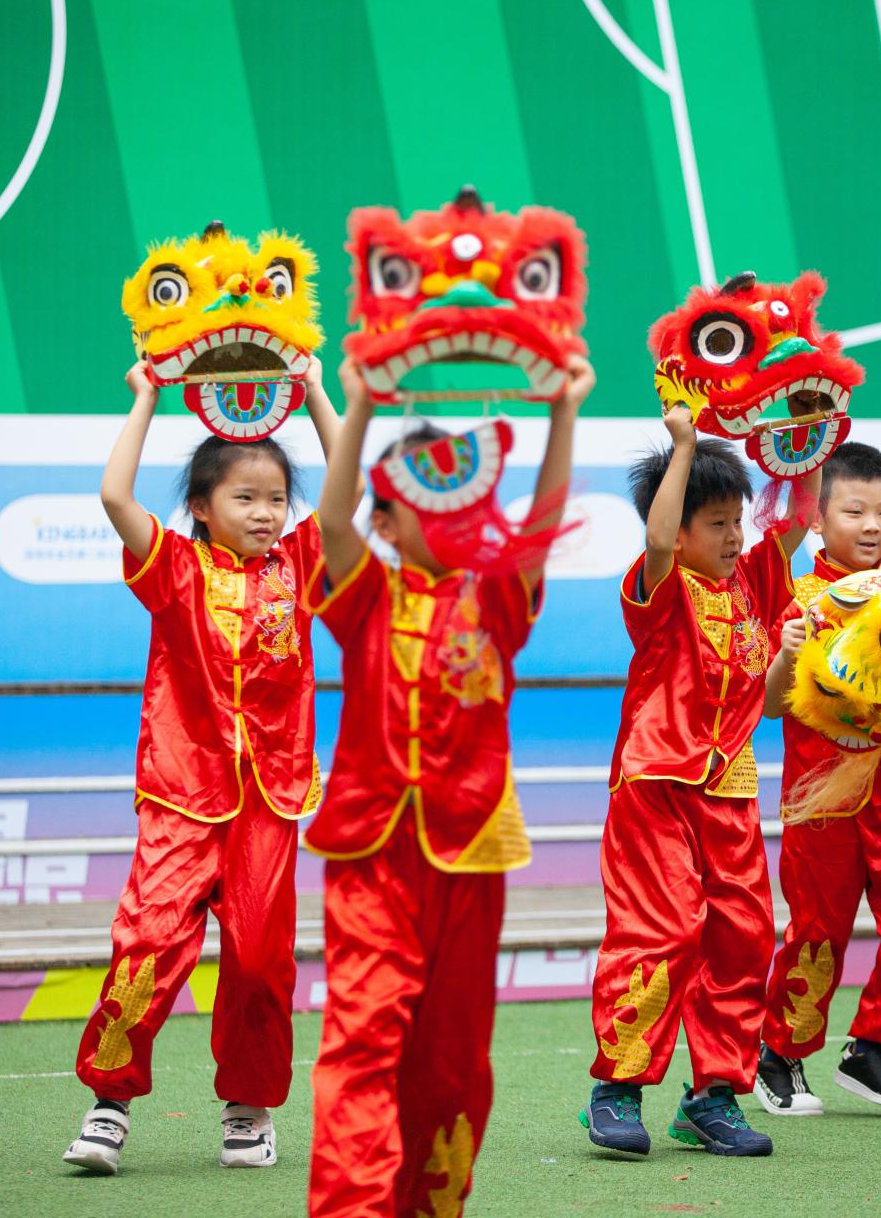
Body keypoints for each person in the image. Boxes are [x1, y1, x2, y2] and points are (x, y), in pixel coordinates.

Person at [302, 354, 591, 1216]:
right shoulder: (364, 597)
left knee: (453, 1065)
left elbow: (541, 521)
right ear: (387, 522)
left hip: (470, 859)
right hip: (370, 857)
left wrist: (563, 413)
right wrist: (355, 407)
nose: (450, 515)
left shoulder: (497, 598)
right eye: (422, 503)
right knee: (360, 1042)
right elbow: (330, 520)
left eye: (459, 498)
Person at [65, 357, 346, 1175]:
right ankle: (110, 1104)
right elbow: (117, 498)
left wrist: (317, 388)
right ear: (200, 506)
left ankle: (249, 1109)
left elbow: (347, 493)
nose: (264, 514)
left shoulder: (300, 566)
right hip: (181, 796)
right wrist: (148, 396)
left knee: (260, 962)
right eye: (243, 498)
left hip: (270, 799)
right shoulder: (172, 570)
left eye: (274, 500)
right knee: (148, 944)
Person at [580, 402, 821, 1159]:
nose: (734, 535)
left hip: (731, 793)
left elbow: (800, 510)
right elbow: (655, 534)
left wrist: (811, 414)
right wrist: (684, 442)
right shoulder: (659, 589)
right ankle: (617, 1089)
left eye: (735, 520)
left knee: (743, 939)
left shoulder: (753, 586)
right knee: (664, 930)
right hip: (655, 786)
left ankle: (713, 1095)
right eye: (715, 523)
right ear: (678, 530)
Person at [752, 442, 881, 1116]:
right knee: (817, 934)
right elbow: (773, 703)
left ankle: (871, 1049)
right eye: (856, 510)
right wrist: (791, 657)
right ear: (817, 519)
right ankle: (778, 1055)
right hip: (823, 797)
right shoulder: (801, 601)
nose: (873, 525)